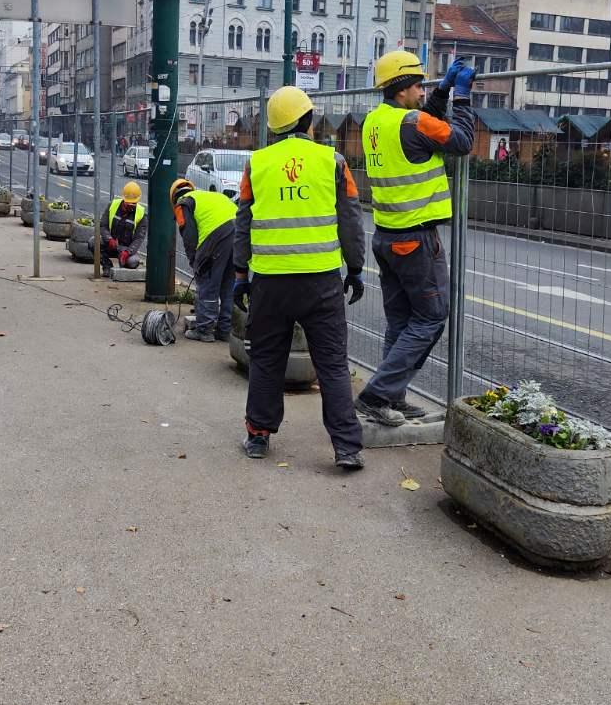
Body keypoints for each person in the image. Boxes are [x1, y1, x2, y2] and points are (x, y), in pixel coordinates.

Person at [232, 86, 368, 470]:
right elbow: (351, 219)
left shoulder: (256, 165)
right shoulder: (334, 161)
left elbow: (244, 220)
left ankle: (258, 436)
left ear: (274, 127)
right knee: (332, 365)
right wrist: (355, 268)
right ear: (309, 121)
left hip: (271, 282)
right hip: (321, 282)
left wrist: (241, 274)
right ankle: (346, 447)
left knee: (266, 360)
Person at [354, 49, 476, 427]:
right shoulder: (413, 122)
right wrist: (464, 98)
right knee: (431, 319)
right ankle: (376, 395)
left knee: (401, 321)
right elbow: (461, 141)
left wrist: (441, 93)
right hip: (417, 240)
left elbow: (424, 126)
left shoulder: (375, 121)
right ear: (404, 88)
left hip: (387, 237)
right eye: (420, 85)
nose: (424, 91)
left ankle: (392, 397)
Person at [170, 178, 238, 342]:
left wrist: (196, 262)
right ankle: (225, 330)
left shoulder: (183, 204)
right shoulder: (210, 196)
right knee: (228, 285)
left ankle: (205, 330)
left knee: (207, 281)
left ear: (173, 199)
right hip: (239, 233)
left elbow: (189, 237)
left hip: (217, 236)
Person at [102, 181, 148, 274]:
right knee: (93, 242)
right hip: (111, 244)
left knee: (133, 261)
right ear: (124, 200)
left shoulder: (141, 214)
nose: (132, 206)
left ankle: (122, 267)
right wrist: (109, 239)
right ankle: (107, 266)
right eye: (129, 204)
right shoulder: (113, 205)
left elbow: (139, 238)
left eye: (134, 203)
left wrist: (127, 252)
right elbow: (103, 225)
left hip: (125, 248)